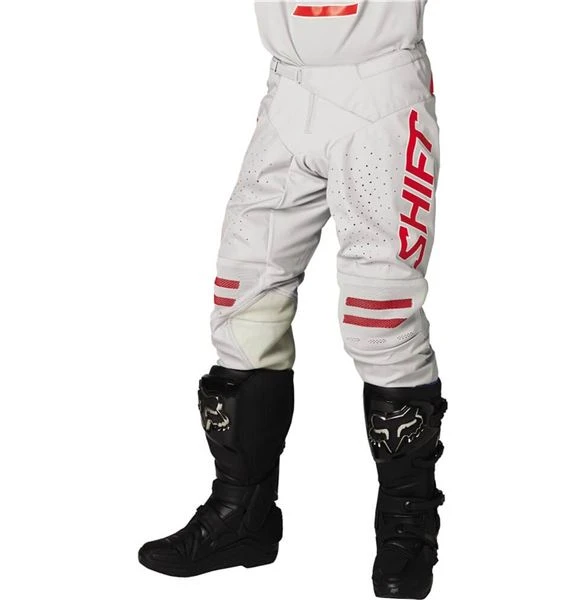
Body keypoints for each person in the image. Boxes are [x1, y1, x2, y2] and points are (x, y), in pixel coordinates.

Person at [139, 2, 447, 598]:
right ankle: (243, 515)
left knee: (380, 314)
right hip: (288, 88)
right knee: (243, 301)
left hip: (379, 89)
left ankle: (408, 524)